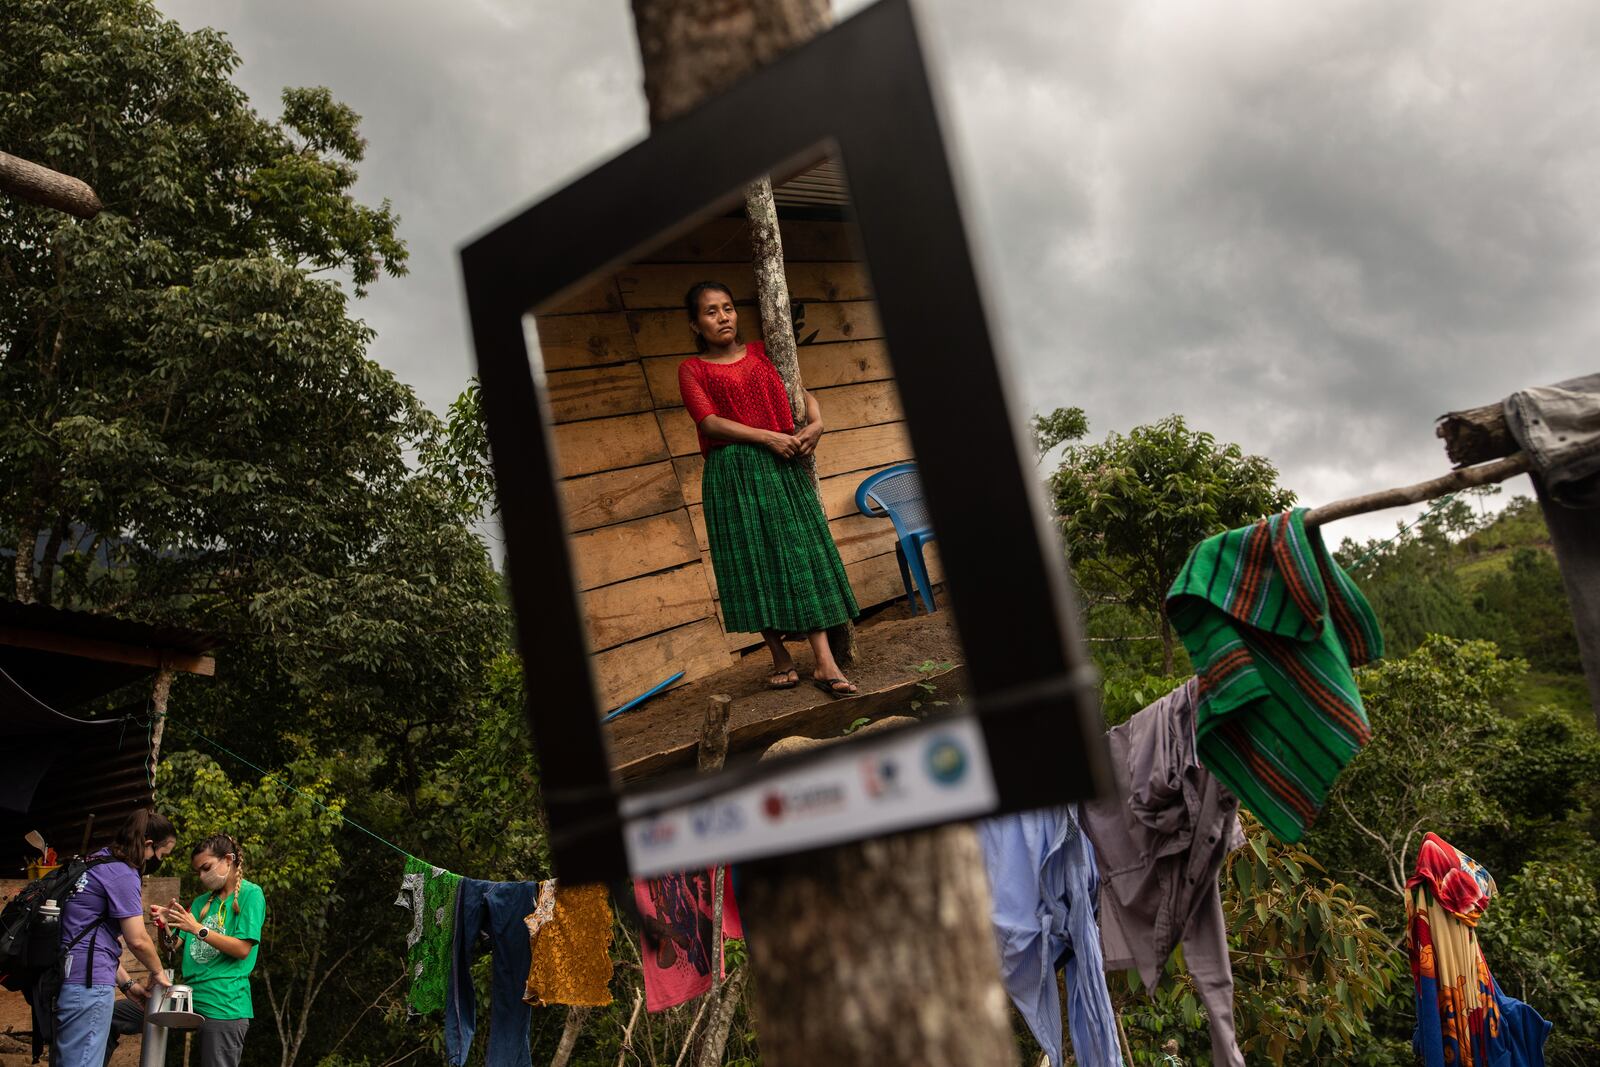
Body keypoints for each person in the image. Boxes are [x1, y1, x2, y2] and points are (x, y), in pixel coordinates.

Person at [676, 281, 860, 696]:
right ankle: (778, 656)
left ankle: (824, 661)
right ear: (695, 323)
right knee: (748, 560)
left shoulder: (763, 351)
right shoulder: (693, 369)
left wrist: (817, 422)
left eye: (727, 308)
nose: (723, 317)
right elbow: (708, 422)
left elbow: (802, 392)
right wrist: (766, 437)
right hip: (732, 471)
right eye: (710, 311)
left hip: (782, 465)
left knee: (798, 552)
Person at [52, 809, 175, 1067]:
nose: (157, 862)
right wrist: (158, 972)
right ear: (148, 844)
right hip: (88, 986)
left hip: (69, 979)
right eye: (161, 855)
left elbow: (91, 938)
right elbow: (138, 939)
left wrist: (128, 986)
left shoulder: (94, 862)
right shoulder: (122, 873)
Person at [146, 834, 265, 1067]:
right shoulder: (201, 902)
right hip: (188, 999)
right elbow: (172, 948)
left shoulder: (252, 895)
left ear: (228, 860)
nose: (201, 876)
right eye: (198, 871)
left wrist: (199, 929)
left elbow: (242, 949)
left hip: (224, 1005)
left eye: (206, 867)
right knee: (120, 1015)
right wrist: (163, 925)